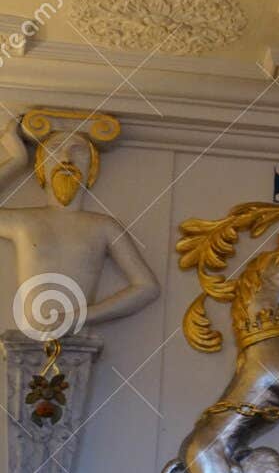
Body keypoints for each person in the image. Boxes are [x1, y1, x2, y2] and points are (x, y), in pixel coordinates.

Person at [0, 109, 159, 336]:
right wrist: (17, 160)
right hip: (26, 343)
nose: (66, 159)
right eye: (54, 149)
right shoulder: (24, 221)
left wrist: (77, 316)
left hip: (78, 343)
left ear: (91, 169)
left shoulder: (103, 226)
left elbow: (146, 287)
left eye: (78, 151)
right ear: (41, 167)